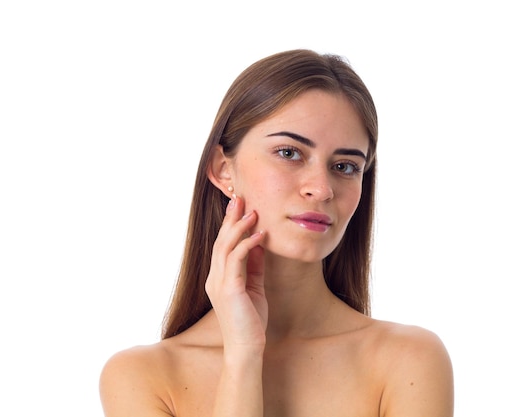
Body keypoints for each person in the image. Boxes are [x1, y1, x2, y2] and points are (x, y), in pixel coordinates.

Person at [99, 49, 454, 417]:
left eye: (346, 166)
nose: (321, 188)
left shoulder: (410, 360)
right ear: (223, 170)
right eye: (289, 153)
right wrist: (243, 353)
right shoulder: (141, 377)